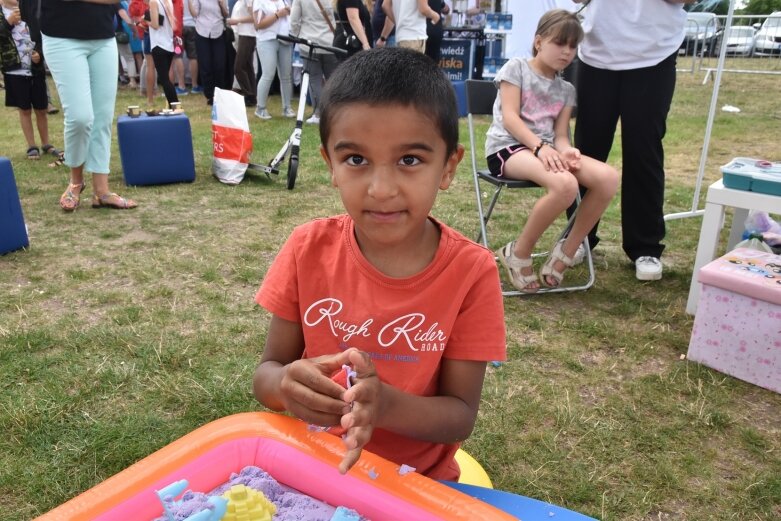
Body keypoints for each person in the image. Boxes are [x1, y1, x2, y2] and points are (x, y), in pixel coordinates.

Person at [253, 47, 506, 479]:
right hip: (313, 466)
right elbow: (266, 374)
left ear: (447, 167)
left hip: (416, 479)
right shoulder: (306, 249)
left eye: (410, 160)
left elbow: (460, 414)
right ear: (330, 164)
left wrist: (383, 405)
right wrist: (285, 386)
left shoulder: (471, 272)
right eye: (356, 159)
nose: (381, 188)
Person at [488, 10, 618, 292]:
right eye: (560, 43)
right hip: (508, 148)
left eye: (573, 46)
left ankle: (566, 253)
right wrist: (540, 147)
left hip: (546, 151)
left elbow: (560, 135)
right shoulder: (516, 68)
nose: (567, 52)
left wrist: (567, 150)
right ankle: (518, 253)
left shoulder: (567, 89)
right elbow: (510, 118)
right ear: (538, 41)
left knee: (607, 178)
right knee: (565, 185)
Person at [572, 0, 694, 281]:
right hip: (597, 51)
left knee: (644, 149)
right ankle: (578, 237)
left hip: (654, 51)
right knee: (587, 150)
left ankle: (645, 246)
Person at [40, 0, 137, 211]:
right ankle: (76, 182)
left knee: (102, 117)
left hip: (102, 36)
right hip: (61, 36)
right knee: (80, 117)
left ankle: (102, 191)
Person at [1, 0, 62, 161]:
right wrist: (8, 23)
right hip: (14, 69)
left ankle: (46, 143)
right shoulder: (3, 14)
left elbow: (42, 35)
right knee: (24, 109)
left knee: (41, 108)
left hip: (35, 68)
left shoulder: (29, 10)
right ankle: (31, 145)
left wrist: (39, 55)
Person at [289, 0, 339, 124]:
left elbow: (294, 19)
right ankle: (337, 112)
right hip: (330, 42)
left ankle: (319, 113)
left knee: (313, 79)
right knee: (334, 79)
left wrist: (297, 35)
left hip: (309, 42)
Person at [252, 0, 293, 119]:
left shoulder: (284, 0)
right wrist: (277, 15)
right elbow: (258, 24)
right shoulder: (259, 2)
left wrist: (289, 12)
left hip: (285, 39)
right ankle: (260, 108)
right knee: (268, 74)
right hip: (266, 39)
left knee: (286, 75)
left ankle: (287, 107)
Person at [188, 0, 228, 105]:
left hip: (218, 29)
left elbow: (226, 14)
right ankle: (210, 95)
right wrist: (189, 2)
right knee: (205, 65)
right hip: (202, 30)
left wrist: (221, 4)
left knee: (219, 65)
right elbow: (194, 13)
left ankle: (220, 94)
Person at [149, 0, 179, 106]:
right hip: (168, 44)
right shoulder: (168, 2)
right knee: (166, 79)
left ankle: (175, 105)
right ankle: (173, 105)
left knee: (164, 80)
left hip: (158, 44)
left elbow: (155, 25)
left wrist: (144, 19)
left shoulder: (153, 2)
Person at [227, 0, 256, 107]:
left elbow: (254, 17)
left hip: (248, 34)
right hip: (245, 34)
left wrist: (237, 20)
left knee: (238, 68)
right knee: (248, 67)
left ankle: (249, 94)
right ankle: (252, 96)